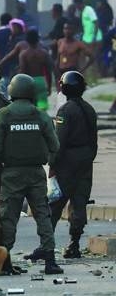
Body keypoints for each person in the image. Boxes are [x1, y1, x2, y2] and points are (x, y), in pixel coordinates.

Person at [0, 74, 62, 275]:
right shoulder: (41, 115)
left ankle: (5, 262)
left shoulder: (3, 115)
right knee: (42, 214)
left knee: (9, 218)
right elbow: (55, 145)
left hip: (11, 174)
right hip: (36, 173)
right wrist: (48, 161)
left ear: (12, 91)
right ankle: (50, 260)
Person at [47, 71, 98, 259]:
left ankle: (47, 246)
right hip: (85, 159)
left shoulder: (65, 111)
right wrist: (88, 158)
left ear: (64, 88)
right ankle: (74, 244)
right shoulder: (89, 109)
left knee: (56, 203)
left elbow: (59, 141)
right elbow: (94, 141)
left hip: (67, 161)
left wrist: (52, 164)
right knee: (79, 201)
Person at [17, 30, 53, 111]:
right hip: (40, 81)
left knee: (29, 108)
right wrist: (49, 87)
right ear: (38, 39)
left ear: (26, 40)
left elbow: (22, 71)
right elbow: (48, 71)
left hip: (28, 82)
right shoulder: (44, 53)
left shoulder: (23, 54)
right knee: (42, 109)